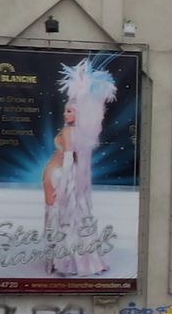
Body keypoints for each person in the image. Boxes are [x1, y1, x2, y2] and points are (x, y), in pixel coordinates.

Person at [43, 57, 117, 277]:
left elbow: (67, 159)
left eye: (70, 111)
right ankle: (76, 260)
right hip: (66, 176)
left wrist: (63, 186)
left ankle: (65, 261)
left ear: (79, 114)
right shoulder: (79, 134)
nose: (66, 114)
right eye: (66, 111)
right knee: (73, 217)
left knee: (62, 217)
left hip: (60, 176)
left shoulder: (68, 132)